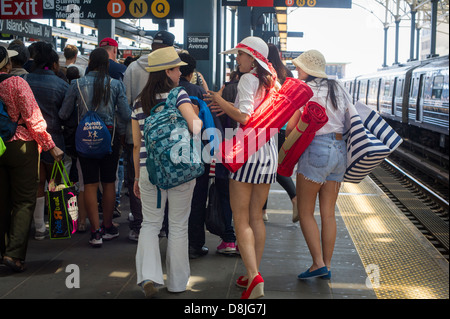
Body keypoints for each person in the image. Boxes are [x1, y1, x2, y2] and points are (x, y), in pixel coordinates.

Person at [206, 36, 278, 299]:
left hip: (247, 154)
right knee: (256, 216)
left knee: (241, 218)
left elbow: (246, 117)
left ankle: (254, 277)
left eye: (240, 55)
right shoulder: (271, 82)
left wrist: (220, 100)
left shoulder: (248, 79)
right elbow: (255, 113)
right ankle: (251, 274)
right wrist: (228, 106)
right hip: (268, 154)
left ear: (252, 58)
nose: (237, 59)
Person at [132, 46, 202, 297]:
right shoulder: (179, 95)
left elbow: (137, 144)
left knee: (150, 224)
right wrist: (193, 114)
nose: (179, 74)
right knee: (178, 226)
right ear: (168, 71)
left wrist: (137, 177)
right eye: (177, 69)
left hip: (150, 171)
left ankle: (149, 276)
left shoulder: (139, 101)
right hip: (180, 169)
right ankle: (176, 283)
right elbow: (196, 127)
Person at [287, 50, 350, 280]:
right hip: (339, 150)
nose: (297, 70)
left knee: (305, 212)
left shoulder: (306, 91)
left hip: (316, 151)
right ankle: (328, 265)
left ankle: (317, 263)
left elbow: (292, 126)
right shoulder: (338, 88)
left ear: (308, 70)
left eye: (299, 67)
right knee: (328, 214)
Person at [59, 47, 131, 247]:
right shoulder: (116, 85)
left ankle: (95, 232)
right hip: (109, 139)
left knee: (89, 184)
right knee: (109, 183)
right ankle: (108, 226)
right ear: (107, 65)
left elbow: (64, 114)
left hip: (85, 139)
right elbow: (125, 114)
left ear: (89, 62)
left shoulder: (77, 84)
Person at [0, 46, 64, 272]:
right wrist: (50, 145)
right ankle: (13, 256)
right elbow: (33, 117)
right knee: (24, 201)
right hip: (20, 146)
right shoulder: (16, 83)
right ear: (7, 64)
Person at [123, 30, 175, 242]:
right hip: (167, 141)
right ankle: (162, 225)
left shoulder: (133, 67)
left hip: (136, 134)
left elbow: (126, 100)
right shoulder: (170, 70)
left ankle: (138, 224)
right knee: (166, 180)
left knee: (137, 179)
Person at [24, 42, 69, 240]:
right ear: (53, 64)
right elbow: (66, 115)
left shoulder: (25, 80)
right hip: (54, 139)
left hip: (30, 140)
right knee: (54, 182)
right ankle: (56, 224)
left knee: (37, 183)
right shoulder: (62, 85)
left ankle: (39, 227)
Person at [264, 43, 298, 223]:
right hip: (284, 128)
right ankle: (294, 198)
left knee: (264, 168)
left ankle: (263, 210)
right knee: (274, 167)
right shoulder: (287, 74)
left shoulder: (264, 73)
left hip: (268, 125)